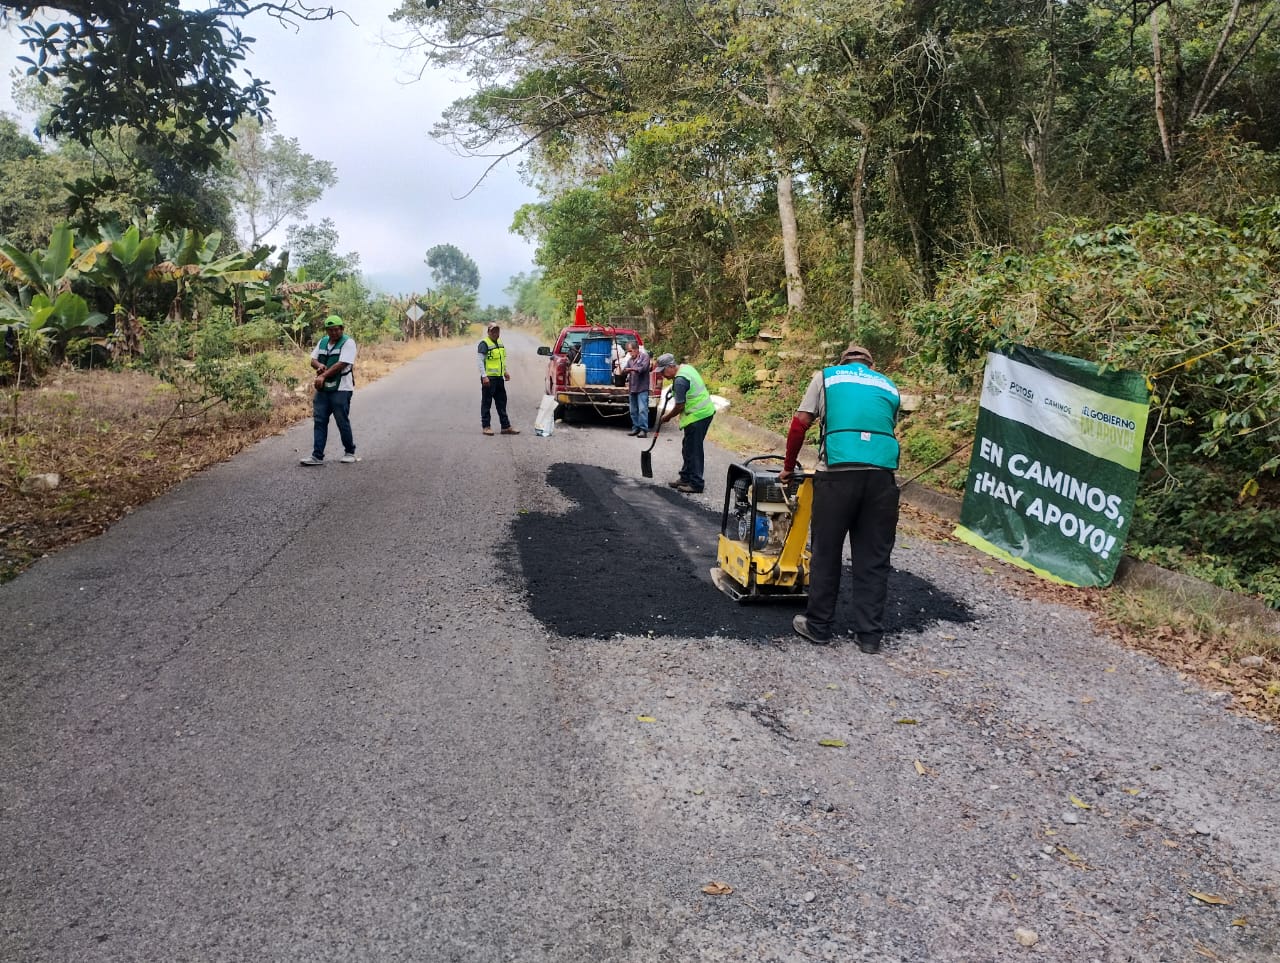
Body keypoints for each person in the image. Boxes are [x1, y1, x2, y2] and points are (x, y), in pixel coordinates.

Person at [778, 344, 900, 653]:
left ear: (843, 362)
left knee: (826, 551)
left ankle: (819, 626)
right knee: (874, 558)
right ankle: (869, 636)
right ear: (871, 365)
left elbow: (800, 424)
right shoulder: (888, 385)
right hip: (882, 479)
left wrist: (788, 468)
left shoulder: (826, 377)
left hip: (837, 474)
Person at [653, 353, 715, 494]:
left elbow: (679, 406)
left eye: (663, 371)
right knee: (688, 447)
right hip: (702, 413)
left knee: (694, 450)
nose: (662, 375)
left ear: (671, 366)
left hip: (698, 415)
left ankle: (696, 483)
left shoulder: (680, 381)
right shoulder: (685, 368)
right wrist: (673, 387)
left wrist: (667, 417)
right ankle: (685, 477)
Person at [300, 315, 357, 466]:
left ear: (342, 329)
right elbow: (313, 359)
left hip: (341, 388)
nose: (334, 333)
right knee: (319, 420)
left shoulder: (348, 343)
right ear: (326, 330)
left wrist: (323, 376)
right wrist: (319, 366)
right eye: (330, 330)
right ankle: (317, 456)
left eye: (336, 330)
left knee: (341, 420)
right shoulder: (323, 342)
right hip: (324, 388)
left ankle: (349, 452)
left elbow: (342, 363)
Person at [478, 321, 520, 436]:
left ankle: (505, 427)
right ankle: (486, 427)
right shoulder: (484, 343)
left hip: (499, 378)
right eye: (493, 331)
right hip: (489, 379)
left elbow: (501, 360)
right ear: (488, 332)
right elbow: (480, 361)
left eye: (497, 331)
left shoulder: (500, 343)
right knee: (486, 403)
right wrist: (484, 376)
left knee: (502, 402)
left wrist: (505, 371)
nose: (495, 333)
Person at [621, 340, 651, 437]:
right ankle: (635, 428)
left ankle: (643, 430)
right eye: (628, 351)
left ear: (637, 349)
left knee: (642, 409)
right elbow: (625, 370)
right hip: (632, 388)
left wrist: (631, 369)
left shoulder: (645, 357)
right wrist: (623, 371)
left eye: (631, 351)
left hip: (642, 388)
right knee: (633, 410)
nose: (630, 353)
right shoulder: (630, 360)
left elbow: (642, 369)